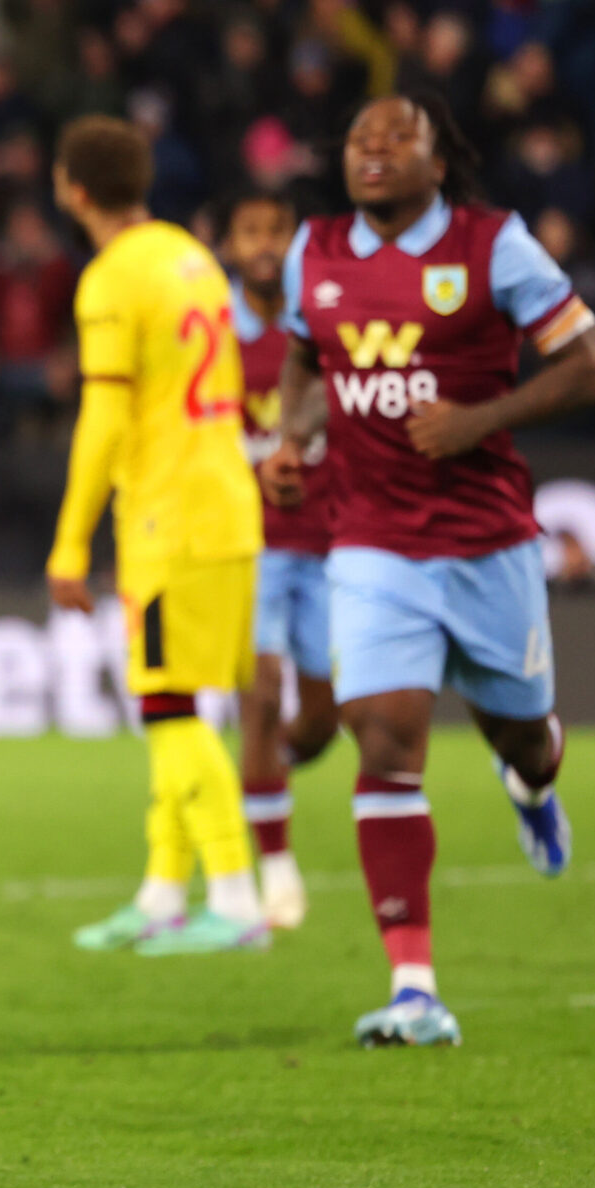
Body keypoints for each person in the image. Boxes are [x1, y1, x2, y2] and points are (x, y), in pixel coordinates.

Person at [263, 95, 595, 1047]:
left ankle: (533, 790)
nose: (373, 150)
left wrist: (478, 421)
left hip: (487, 541)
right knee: (381, 731)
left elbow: (593, 369)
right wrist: (289, 443)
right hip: (372, 538)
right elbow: (304, 362)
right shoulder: (315, 252)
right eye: (357, 139)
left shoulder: (493, 245)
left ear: (437, 158)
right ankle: (414, 989)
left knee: (523, 734)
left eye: (396, 137)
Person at [45, 116, 269, 958]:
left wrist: (70, 544)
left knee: (170, 710)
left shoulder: (111, 279)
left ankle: (237, 899)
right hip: (225, 498)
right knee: (172, 704)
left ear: (74, 190)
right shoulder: (190, 256)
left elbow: (104, 418)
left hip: (170, 514)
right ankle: (164, 892)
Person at [223, 191, 337, 931]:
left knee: (327, 720)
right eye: (251, 230)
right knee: (260, 696)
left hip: (329, 540)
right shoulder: (209, 332)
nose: (265, 243)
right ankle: (275, 865)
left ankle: (258, 788)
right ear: (230, 244)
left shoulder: (324, 322)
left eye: (277, 230)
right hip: (248, 545)